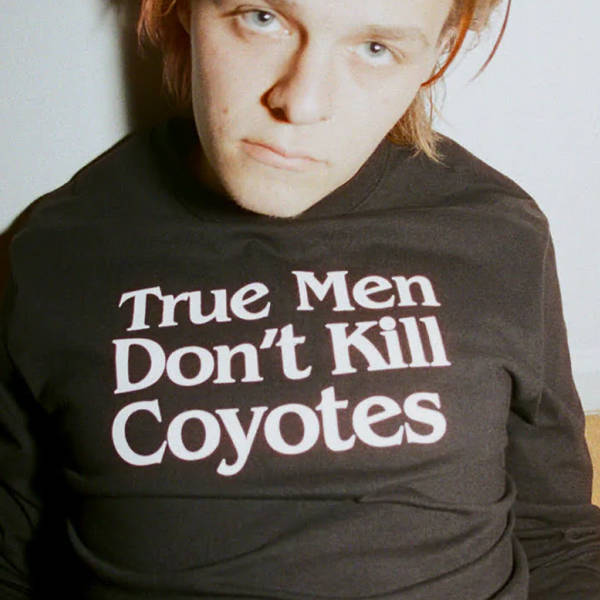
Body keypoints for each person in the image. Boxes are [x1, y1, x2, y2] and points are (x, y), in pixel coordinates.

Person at [1, 0, 599, 598]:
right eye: (261, 18)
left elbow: (558, 539)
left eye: (375, 48)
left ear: (437, 54)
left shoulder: (494, 232)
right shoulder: (58, 252)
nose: (302, 104)